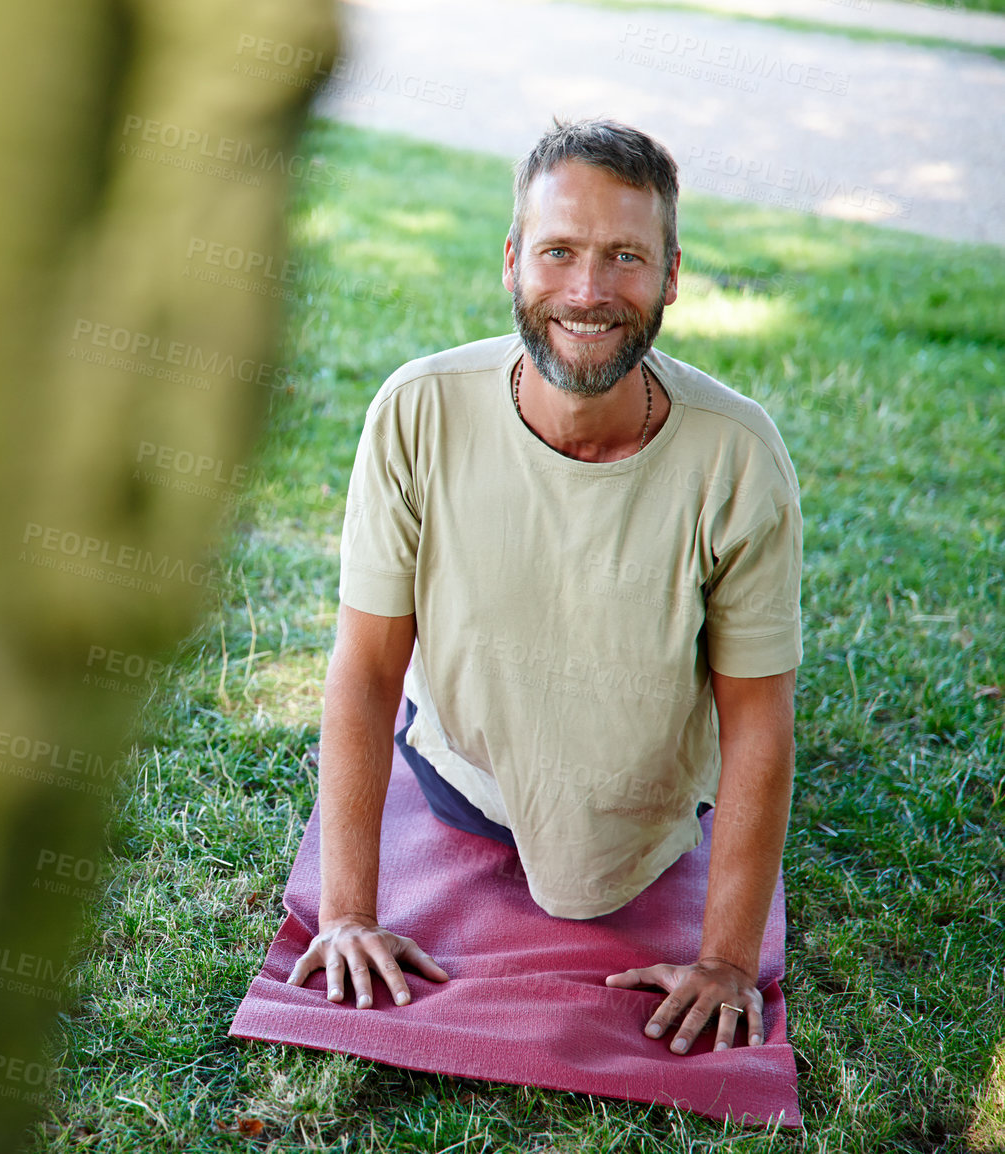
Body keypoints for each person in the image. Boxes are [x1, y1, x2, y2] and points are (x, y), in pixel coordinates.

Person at [285, 118, 802, 1057]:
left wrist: (727, 959)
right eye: (558, 251)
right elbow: (365, 668)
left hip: (656, 822)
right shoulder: (415, 412)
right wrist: (348, 911)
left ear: (672, 275)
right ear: (513, 261)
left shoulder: (739, 457)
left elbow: (758, 715)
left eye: (624, 258)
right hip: (459, 787)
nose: (589, 291)